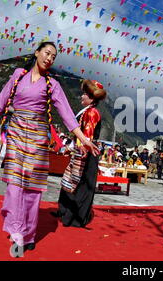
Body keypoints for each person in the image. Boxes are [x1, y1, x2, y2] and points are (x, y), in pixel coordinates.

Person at [0, 42, 98, 255]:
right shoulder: (18, 75)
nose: (49, 58)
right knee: (15, 184)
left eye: (53, 57)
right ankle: (17, 230)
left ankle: (29, 234)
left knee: (32, 188)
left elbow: (68, 115)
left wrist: (84, 139)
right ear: (37, 52)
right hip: (15, 134)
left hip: (38, 139)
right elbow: (2, 100)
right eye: (47, 53)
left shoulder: (53, 85)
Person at [53, 79, 106, 228]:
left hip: (87, 153)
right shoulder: (88, 111)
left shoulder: (92, 113)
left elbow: (87, 136)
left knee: (81, 185)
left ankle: (75, 217)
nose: (82, 96)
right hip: (83, 150)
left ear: (91, 97)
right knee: (71, 181)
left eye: (84, 94)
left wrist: (81, 150)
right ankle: (65, 212)